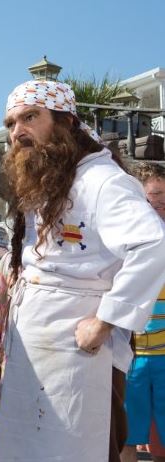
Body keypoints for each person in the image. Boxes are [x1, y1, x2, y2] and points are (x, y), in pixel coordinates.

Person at [0, 80, 165, 462]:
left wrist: (105, 321)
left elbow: (153, 244)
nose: (17, 131)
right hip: (36, 353)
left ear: (66, 122)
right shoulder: (49, 183)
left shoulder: (102, 181)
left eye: (30, 117)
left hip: (78, 356)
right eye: (11, 123)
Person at [121, 162, 165, 462]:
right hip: (131, 355)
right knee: (127, 434)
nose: (160, 201)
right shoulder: (123, 239)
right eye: (155, 194)